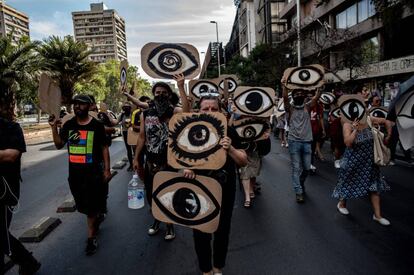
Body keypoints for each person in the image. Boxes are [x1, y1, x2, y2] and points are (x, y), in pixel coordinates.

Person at [181, 95, 247, 275]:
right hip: (199, 187)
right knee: (200, 229)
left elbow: (243, 161)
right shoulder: (189, 132)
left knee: (222, 229)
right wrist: (188, 169)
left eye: (214, 109)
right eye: (205, 109)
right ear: (198, 111)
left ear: (221, 112)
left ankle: (218, 267)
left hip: (225, 187)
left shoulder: (230, 132)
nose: (210, 112)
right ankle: (206, 270)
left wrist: (231, 149)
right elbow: (181, 159)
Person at [50, 94, 111, 255]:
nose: (77, 106)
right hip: (75, 175)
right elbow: (58, 145)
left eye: (81, 104)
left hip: (94, 174)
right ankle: (96, 216)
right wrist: (53, 128)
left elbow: (104, 147)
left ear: (89, 106)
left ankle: (91, 239)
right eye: (75, 104)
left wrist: (107, 170)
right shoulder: (69, 125)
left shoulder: (97, 125)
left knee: (90, 208)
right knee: (83, 205)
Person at [133, 80, 185, 241]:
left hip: (169, 160)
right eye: (157, 92)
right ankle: (157, 219)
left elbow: (188, 113)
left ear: (169, 95)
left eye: (164, 92)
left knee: (168, 192)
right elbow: (142, 137)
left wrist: (182, 86)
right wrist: (136, 158)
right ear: (153, 94)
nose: (160, 95)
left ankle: (169, 224)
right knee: (151, 193)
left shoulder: (174, 110)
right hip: (151, 161)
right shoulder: (146, 113)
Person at [333, 114, 393, 226]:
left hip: (369, 163)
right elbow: (348, 143)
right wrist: (355, 129)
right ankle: (342, 204)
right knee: (348, 184)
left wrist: (389, 135)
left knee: (374, 188)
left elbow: (387, 121)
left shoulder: (369, 119)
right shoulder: (347, 124)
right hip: (352, 163)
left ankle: (377, 216)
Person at [1, 109, 41, 274]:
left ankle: (27, 262)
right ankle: (28, 262)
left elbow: (11, 155)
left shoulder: (11, 128)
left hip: (4, 192)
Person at [282, 84, 320, 203]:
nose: (299, 95)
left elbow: (317, 97)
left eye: (301, 93)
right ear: (293, 96)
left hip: (307, 142)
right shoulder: (290, 108)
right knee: (296, 168)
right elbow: (285, 98)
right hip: (294, 142)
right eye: (296, 94)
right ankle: (298, 192)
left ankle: (301, 183)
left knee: (307, 168)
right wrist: (284, 86)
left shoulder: (307, 107)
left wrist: (320, 86)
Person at [117, 102, 134, 171]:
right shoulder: (122, 115)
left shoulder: (133, 114)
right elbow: (116, 122)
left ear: (130, 108)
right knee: (128, 150)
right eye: (124, 107)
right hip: (125, 133)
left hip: (133, 133)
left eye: (128, 107)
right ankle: (131, 165)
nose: (126, 108)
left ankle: (137, 164)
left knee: (135, 149)